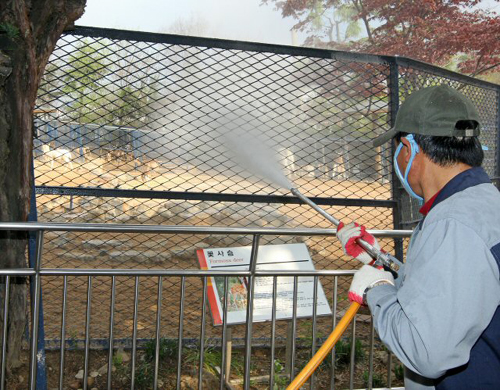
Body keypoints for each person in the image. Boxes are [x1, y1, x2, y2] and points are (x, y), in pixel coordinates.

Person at [336, 84, 500, 389]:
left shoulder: (454, 223)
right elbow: (453, 293)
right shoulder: (480, 203)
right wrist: (382, 262)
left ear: (409, 149)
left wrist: (377, 291)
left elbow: (427, 352)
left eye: (396, 149)